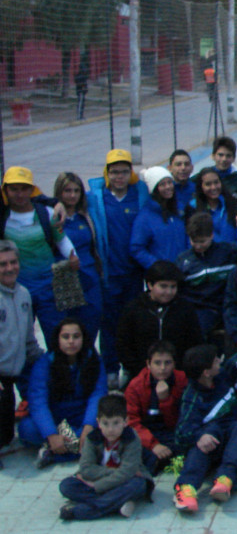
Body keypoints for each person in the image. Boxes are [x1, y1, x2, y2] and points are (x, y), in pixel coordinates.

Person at [87, 150, 149, 386]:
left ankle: (130, 368)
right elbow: (65, 198)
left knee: (132, 322)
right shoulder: (96, 198)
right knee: (109, 324)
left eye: (124, 171)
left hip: (134, 274)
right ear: (107, 173)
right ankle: (110, 369)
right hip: (109, 274)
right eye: (114, 172)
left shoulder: (140, 195)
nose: (119, 176)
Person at [1, 167, 82, 343]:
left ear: (32, 189)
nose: (19, 194)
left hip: (49, 287)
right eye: (14, 189)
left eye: (24, 188)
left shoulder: (46, 213)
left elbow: (61, 240)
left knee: (56, 336)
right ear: (5, 190)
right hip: (16, 288)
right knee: (19, 338)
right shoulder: (3, 216)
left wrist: (73, 256)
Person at [172, 344, 237, 512]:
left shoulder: (223, 375)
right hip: (209, 446)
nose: (219, 362)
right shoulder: (192, 398)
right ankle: (186, 487)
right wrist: (199, 436)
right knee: (209, 432)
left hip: (231, 439)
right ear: (206, 372)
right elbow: (181, 433)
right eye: (215, 361)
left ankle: (225, 478)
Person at [20, 317, 107, 468]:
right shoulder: (45, 363)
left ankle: (54, 453)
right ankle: (79, 448)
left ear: (84, 338)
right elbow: (38, 402)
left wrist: (88, 426)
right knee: (27, 428)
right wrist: (51, 434)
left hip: (82, 418)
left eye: (76, 336)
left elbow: (98, 395)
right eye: (65, 337)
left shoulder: (93, 360)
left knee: (110, 425)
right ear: (57, 339)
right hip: (56, 419)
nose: (71, 341)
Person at [57, 395, 152, 521]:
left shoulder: (131, 438)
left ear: (126, 421)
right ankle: (117, 504)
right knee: (66, 485)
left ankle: (80, 512)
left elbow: (128, 472)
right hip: (108, 480)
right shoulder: (92, 438)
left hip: (122, 482)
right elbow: (86, 469)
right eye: (105, 423)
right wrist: (114, 473)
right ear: (98, 423)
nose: (110, 429)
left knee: (138, 484)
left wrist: (97, 486)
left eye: (116, 423)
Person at [116, 259, 203, 382]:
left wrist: (181, 371)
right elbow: (123, 344)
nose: (168, 292)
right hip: (140, 376)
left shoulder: (185, 309)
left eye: (173, 287)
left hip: (178, 376)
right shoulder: (133, 309)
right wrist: (140, 371)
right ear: (150, 285)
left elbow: (194, 342)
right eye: (163, 286)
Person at [0, 240, 42, 460]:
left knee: (11, 436)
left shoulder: (24, 294)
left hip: (15, 372)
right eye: (3, 264)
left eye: (13, 262)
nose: (9, 268)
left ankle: (63, 446)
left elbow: (29, 343)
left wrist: (52, 361)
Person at [124, 339, 188, 473]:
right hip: (147, 433)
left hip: (172, 432)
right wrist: (154, 445)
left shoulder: (182, 380)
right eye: (157, 363)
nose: (163, 368)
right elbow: (132, 422)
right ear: (148, 364)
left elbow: (182, 419)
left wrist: (165, 400)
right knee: (128, 445)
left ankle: (164, 460)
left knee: (191, 445)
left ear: (174, 364)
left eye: (167, 363)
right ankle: (159, 460)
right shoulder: (135, 386)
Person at [53, 172, 103, 338]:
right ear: (59, 192)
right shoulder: (52, 216)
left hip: (89, 278)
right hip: (64, 280)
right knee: (66, 332)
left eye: (76, 190)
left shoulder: (86, 216)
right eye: (67, 190)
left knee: (90, 325)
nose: (72, 195)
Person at [177, 213, 237, 338]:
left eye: (202, 241)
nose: (198, 246)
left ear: (212, 235)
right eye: (194, 241)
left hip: (223, 307)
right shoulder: (183, 260)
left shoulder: (228, 251)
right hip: (196, 309)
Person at [130, 166, 188, 269]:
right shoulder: (145, 217)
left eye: (170, 182)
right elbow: (137, 249)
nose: (168, 187)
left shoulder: (180, 210)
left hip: (183, 271)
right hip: (162, 277)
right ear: (154, 189)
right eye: (162, 184)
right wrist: (157, 267)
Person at [191, 168, 237, 245]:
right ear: (201, 186)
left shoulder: (232, 204)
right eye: (208, 184)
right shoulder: (193, 208)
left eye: (216, 182)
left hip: (234, 253)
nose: (213, 187)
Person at [200, 136, 237, 200]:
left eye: (228, 156)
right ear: (213, 156)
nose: (224, 159)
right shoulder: (202, 178)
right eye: (220, 155)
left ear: (234, 158)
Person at [74, 52, 89, 121]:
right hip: (80, 91)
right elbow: (78, 83)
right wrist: (83, 86)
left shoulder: (83, 76)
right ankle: (79, 116)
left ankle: (81, 115)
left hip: (82, 92)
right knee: (80, 104)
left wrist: (85, 88)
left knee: (82, 104)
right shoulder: (79, 76)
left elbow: (85, 84)